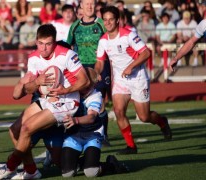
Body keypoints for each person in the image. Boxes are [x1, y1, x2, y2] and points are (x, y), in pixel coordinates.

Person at [0, 24, 89, 179]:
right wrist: (37, 81)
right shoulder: (33, 57)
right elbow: (27, 89)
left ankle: (9, 166)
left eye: (48, 44)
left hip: (67, 102)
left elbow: (85, 81)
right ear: (36, 42)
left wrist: (64, 90)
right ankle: (32, 170)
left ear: (54, 43)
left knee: (27, 129)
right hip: (46, 100)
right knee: (15, 129)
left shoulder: (67, 55)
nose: (44, 48)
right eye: (41, 43)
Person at [97, 6, 172, 155]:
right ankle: (131, 146)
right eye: (105, 20)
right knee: (118, 111)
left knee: (144, 117)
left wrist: (131, 66)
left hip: (138, 78)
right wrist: (95, 72)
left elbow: (146, 53)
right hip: (120, 80)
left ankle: (162, 122)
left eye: (111, 19)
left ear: (117, 20)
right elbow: (100, 62)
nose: (108, 22)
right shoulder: (103, 41)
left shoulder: (128, 35)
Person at [61, 67, 129, 177]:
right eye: (82, 84)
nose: (83, 89)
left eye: (87, 86)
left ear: (93, 85)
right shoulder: (71, 91)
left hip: (92, 134)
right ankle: (83, 161)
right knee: (67, 173)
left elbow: (91, 117)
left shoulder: (95, 96)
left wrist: (75, 120)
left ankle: (110, 164)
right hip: (73, 135)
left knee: (91, 172)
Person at [67, 0, 110, 146]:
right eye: (86, 4)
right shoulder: (74, 26)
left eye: (92, 3)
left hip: (99, 65)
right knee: (80, 101)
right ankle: (81, 132)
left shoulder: (102, 24)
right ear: (81, 7)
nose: (89, 6)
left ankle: (103, 134)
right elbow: (68, 47)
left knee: (100, 103)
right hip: (81, 68)